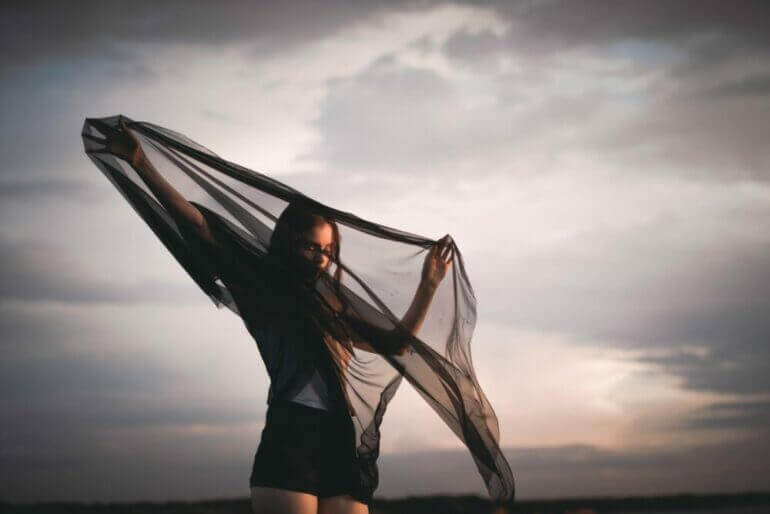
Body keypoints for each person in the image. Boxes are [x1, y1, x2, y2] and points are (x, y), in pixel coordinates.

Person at [104, 119, 453, 514]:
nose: (320, 259)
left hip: (343, 438)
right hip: (293, 436)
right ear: (288, 243)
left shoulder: (334, 304)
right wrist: (140, 164)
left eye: (327, 251)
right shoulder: (262, 289)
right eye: (311, 247)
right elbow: (201, 227)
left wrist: (428, 285)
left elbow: (398, 344)